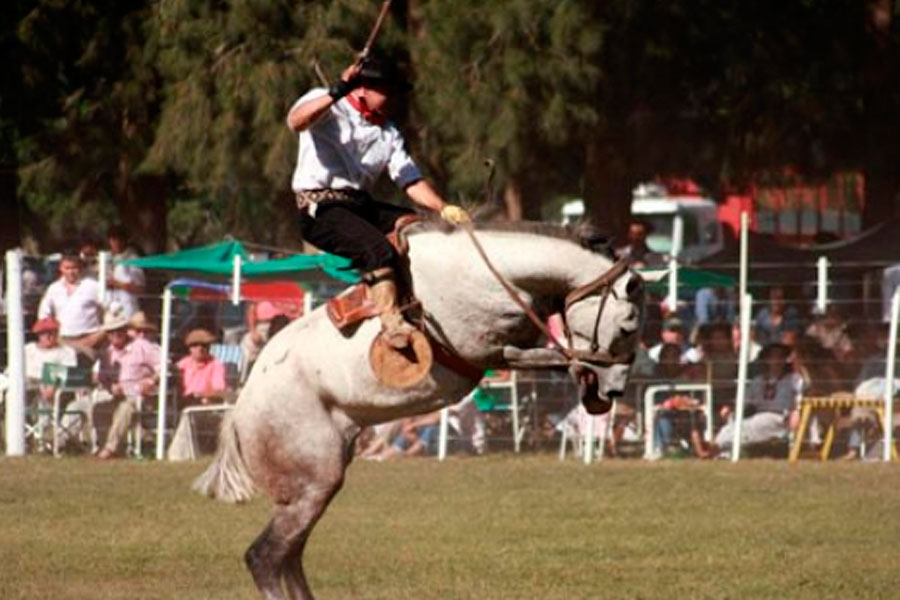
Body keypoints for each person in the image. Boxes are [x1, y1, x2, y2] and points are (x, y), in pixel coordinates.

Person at [287, 56, 470, 349]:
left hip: (361, 205)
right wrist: (338, 90)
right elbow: (297, 122)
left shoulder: (388, 133)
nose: (394, 98)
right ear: (363, 88)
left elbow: (410, 180)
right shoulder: (327, 103)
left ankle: (414, 300)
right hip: (321, 209)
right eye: (388, 90)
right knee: (378, 250)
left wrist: (444, 208)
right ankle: (392, 324)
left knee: (417, 228)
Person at [698, 343, 803, 458]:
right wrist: (731, 407)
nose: (776, 360)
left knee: (746, 428)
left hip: (780, 417)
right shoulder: (759, 380)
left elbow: (802, 395)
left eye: (780, 356)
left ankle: (713, 450)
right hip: (760, 415)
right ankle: (718, 451)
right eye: (772, 356)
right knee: (731, 427)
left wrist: (796, 411)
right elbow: (745, 400)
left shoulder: (793, 379)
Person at [95, 308, 161, 459]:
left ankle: (110, 449)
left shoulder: (142, 346)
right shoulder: (107, 352)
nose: (115, 334)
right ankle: (97, 444)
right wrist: (111, 387)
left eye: (119, 330)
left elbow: (165, 366)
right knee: (95, 407)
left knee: (126, 407)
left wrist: (151, 381)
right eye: (111, 332)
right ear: (107, 334)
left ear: (126, 330)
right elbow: (102, 376)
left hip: (142, 396)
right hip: (117, 395)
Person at [36, 252, 104, 361]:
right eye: (67, 268)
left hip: (88, 340)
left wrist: (99, 335)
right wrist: (50, 336)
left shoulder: (93, 286)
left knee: (84, 371)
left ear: (80, 268)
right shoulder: (54, 288)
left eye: (74, 268)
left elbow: (111, 311)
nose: (71, 272)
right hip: (62, 340)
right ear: (61, 268)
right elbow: (44, 315)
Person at [177, 328, 227, 405]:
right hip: (182, 403)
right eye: (195, 345)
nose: (200, 348)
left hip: (202, 405)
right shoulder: (184, 363)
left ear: (209, 347)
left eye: (204, 345)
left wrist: (202, 394)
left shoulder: (215, 364)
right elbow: (171, 374)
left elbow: (218, 389)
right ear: (189, 348)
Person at [106, 225, 146, 318]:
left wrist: (117, 284)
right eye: (113, 240)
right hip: (109, 308)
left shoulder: (133, 259)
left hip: (127, 310)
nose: (117, 243)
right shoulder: (106, 257)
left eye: (120, 239)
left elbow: (140, 288)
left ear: (125, 240)